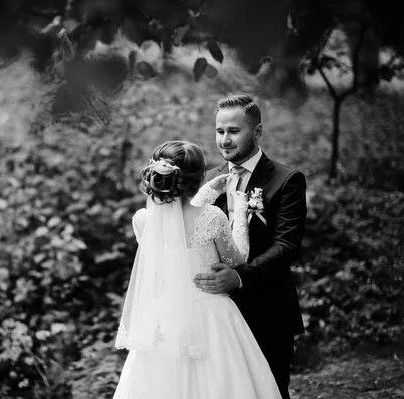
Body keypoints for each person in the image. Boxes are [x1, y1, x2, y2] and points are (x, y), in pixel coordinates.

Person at [113, 140, 282, 399]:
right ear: (199, 177)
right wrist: (239, 211)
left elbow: (176, 233)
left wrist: (203, 194)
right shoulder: (213, 217)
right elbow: (238, 259)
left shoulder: (143, 220)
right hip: (211, 316)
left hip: (164, 320)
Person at [194, 94, 307, 399]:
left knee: (269, 390)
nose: (225, 140)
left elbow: (286, 245)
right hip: (217, 314)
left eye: (234, 131)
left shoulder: (286, 180)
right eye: (220, 132)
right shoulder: (209, 181)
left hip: (268, 309)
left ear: (257, 132)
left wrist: (240, 276)